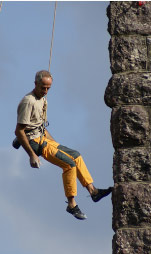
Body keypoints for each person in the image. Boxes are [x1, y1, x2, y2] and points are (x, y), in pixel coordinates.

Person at [14, 70, 113, 220]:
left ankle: (93, 191)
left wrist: (54, 143)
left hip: (43, 137)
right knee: (69, 164)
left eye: (48, 88)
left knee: (76, 156)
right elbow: (19, 131)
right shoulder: (29, 102)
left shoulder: (43, 99)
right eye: (43, 88)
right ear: (35, 84)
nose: (45, 91)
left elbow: (40, 124)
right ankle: (71, 204)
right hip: (34, 142)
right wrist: (32, 156)